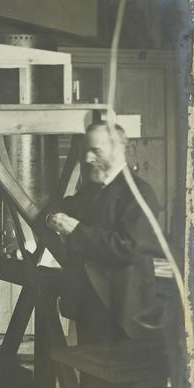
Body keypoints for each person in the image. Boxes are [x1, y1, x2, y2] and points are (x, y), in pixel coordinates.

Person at [46, 122, 161, 345]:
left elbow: (129, 248)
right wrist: (50, 217)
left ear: (118, 149)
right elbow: (62, 207)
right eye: (86, 151)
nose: (88, 159)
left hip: (122, 312)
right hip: (91, 307)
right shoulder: (92, 191)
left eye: (95, 151)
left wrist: (75, 230)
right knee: (91, 378)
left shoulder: (139, 193)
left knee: (116, 378)